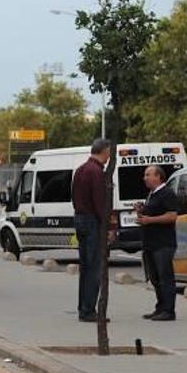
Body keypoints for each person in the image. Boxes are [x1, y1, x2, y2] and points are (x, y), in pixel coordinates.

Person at [71, 138, 111, 322]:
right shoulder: (96, 172)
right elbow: (99, 202)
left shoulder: (80, 170)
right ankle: (88, 310)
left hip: (80, 218)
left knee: (85, 267)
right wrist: (107, 227)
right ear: (104, 151)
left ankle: (83, 306)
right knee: (94, 267)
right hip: (92, 221)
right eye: (109, 152)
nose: (109, 156)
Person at [136, 166, 179, 321]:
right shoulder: (152, 194)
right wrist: (141, 211)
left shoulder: (167, 193)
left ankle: (169, 310)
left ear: (158, 177)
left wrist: (150, 220)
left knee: (165, 277)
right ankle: (160, 307)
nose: (145, 178)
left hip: (163, 243)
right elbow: (150, 213)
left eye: (148, 175)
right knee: (154, 277)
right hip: (150, 242)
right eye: (144, 175)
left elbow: (172, 215)